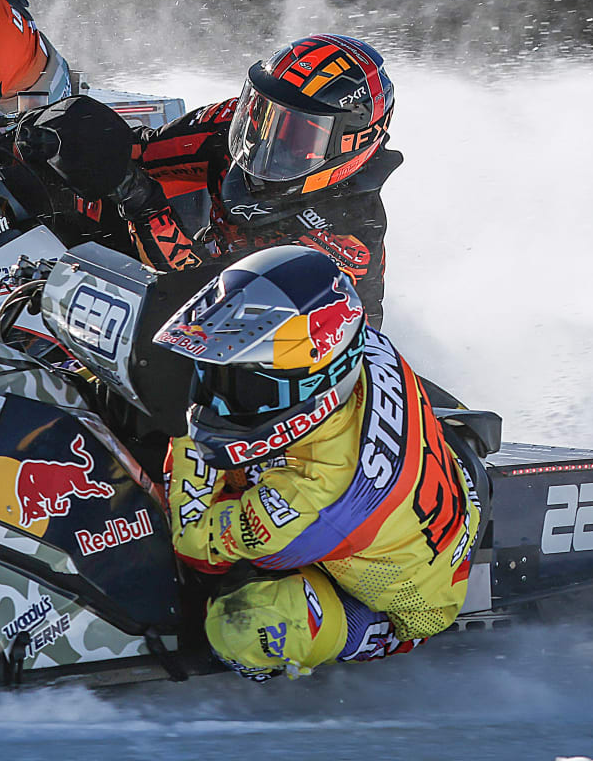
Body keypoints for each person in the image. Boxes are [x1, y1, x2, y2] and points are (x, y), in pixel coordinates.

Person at [155, 244, 481, 680]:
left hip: (405, 604)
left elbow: (195, 545)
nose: (219, 391)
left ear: (313, 381)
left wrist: (181, 425)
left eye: (244, 383)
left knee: (245, 624)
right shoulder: (349, 336)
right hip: (414, 497)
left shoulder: (318, 493)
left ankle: (342, 641)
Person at [14, 33, 401, 326]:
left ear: (351, 145)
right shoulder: (240, 124)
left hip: (269, 351)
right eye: (265, 110)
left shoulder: (345, 239)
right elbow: (140, 150)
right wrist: (61, 135)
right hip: (197, 285)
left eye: (298, 133)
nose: (266, 137)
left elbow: (209, 312)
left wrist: (143, 203)